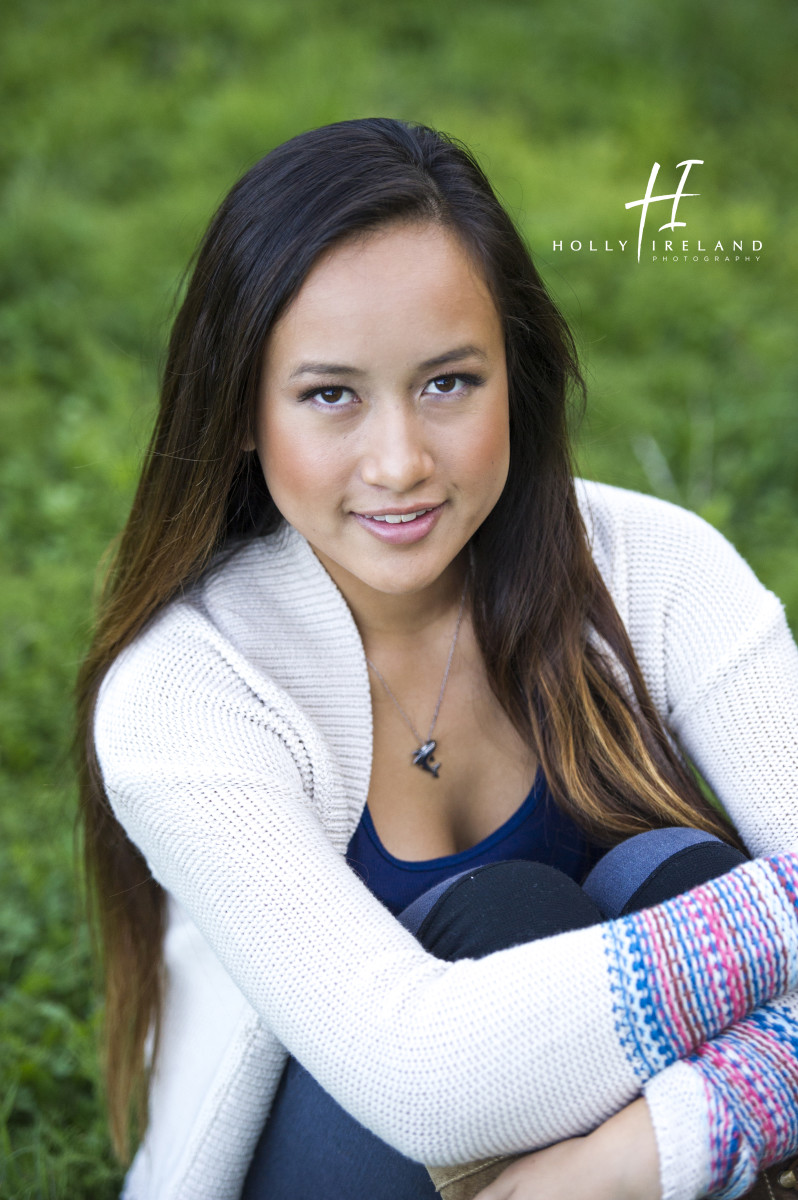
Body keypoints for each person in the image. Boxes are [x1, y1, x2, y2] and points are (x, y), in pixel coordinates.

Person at [76, 118, 798, 1200]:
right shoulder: (183, 692)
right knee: (506, 920)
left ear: (519, 369)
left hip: (614, 1164)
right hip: (342, 1157)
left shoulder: (660, 567)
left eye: (449, 383)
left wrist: (621, 1167)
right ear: (240, 409)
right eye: (330, 396)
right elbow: (427, 1079)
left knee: (675, 879)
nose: (401, 462)